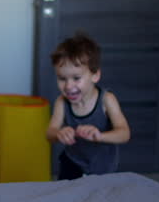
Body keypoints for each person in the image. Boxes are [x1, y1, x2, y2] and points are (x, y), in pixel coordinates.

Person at [45, 31, 130, 179]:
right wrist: (59, 133)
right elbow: (49, 133)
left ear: (95, 75)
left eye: (76, 78)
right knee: (69, 198)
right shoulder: (61, 102)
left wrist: (100, 136)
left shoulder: (106, 100)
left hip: (103, 168)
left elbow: (124, 133)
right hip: (72, 163)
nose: (68, 86)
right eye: (62, 79)